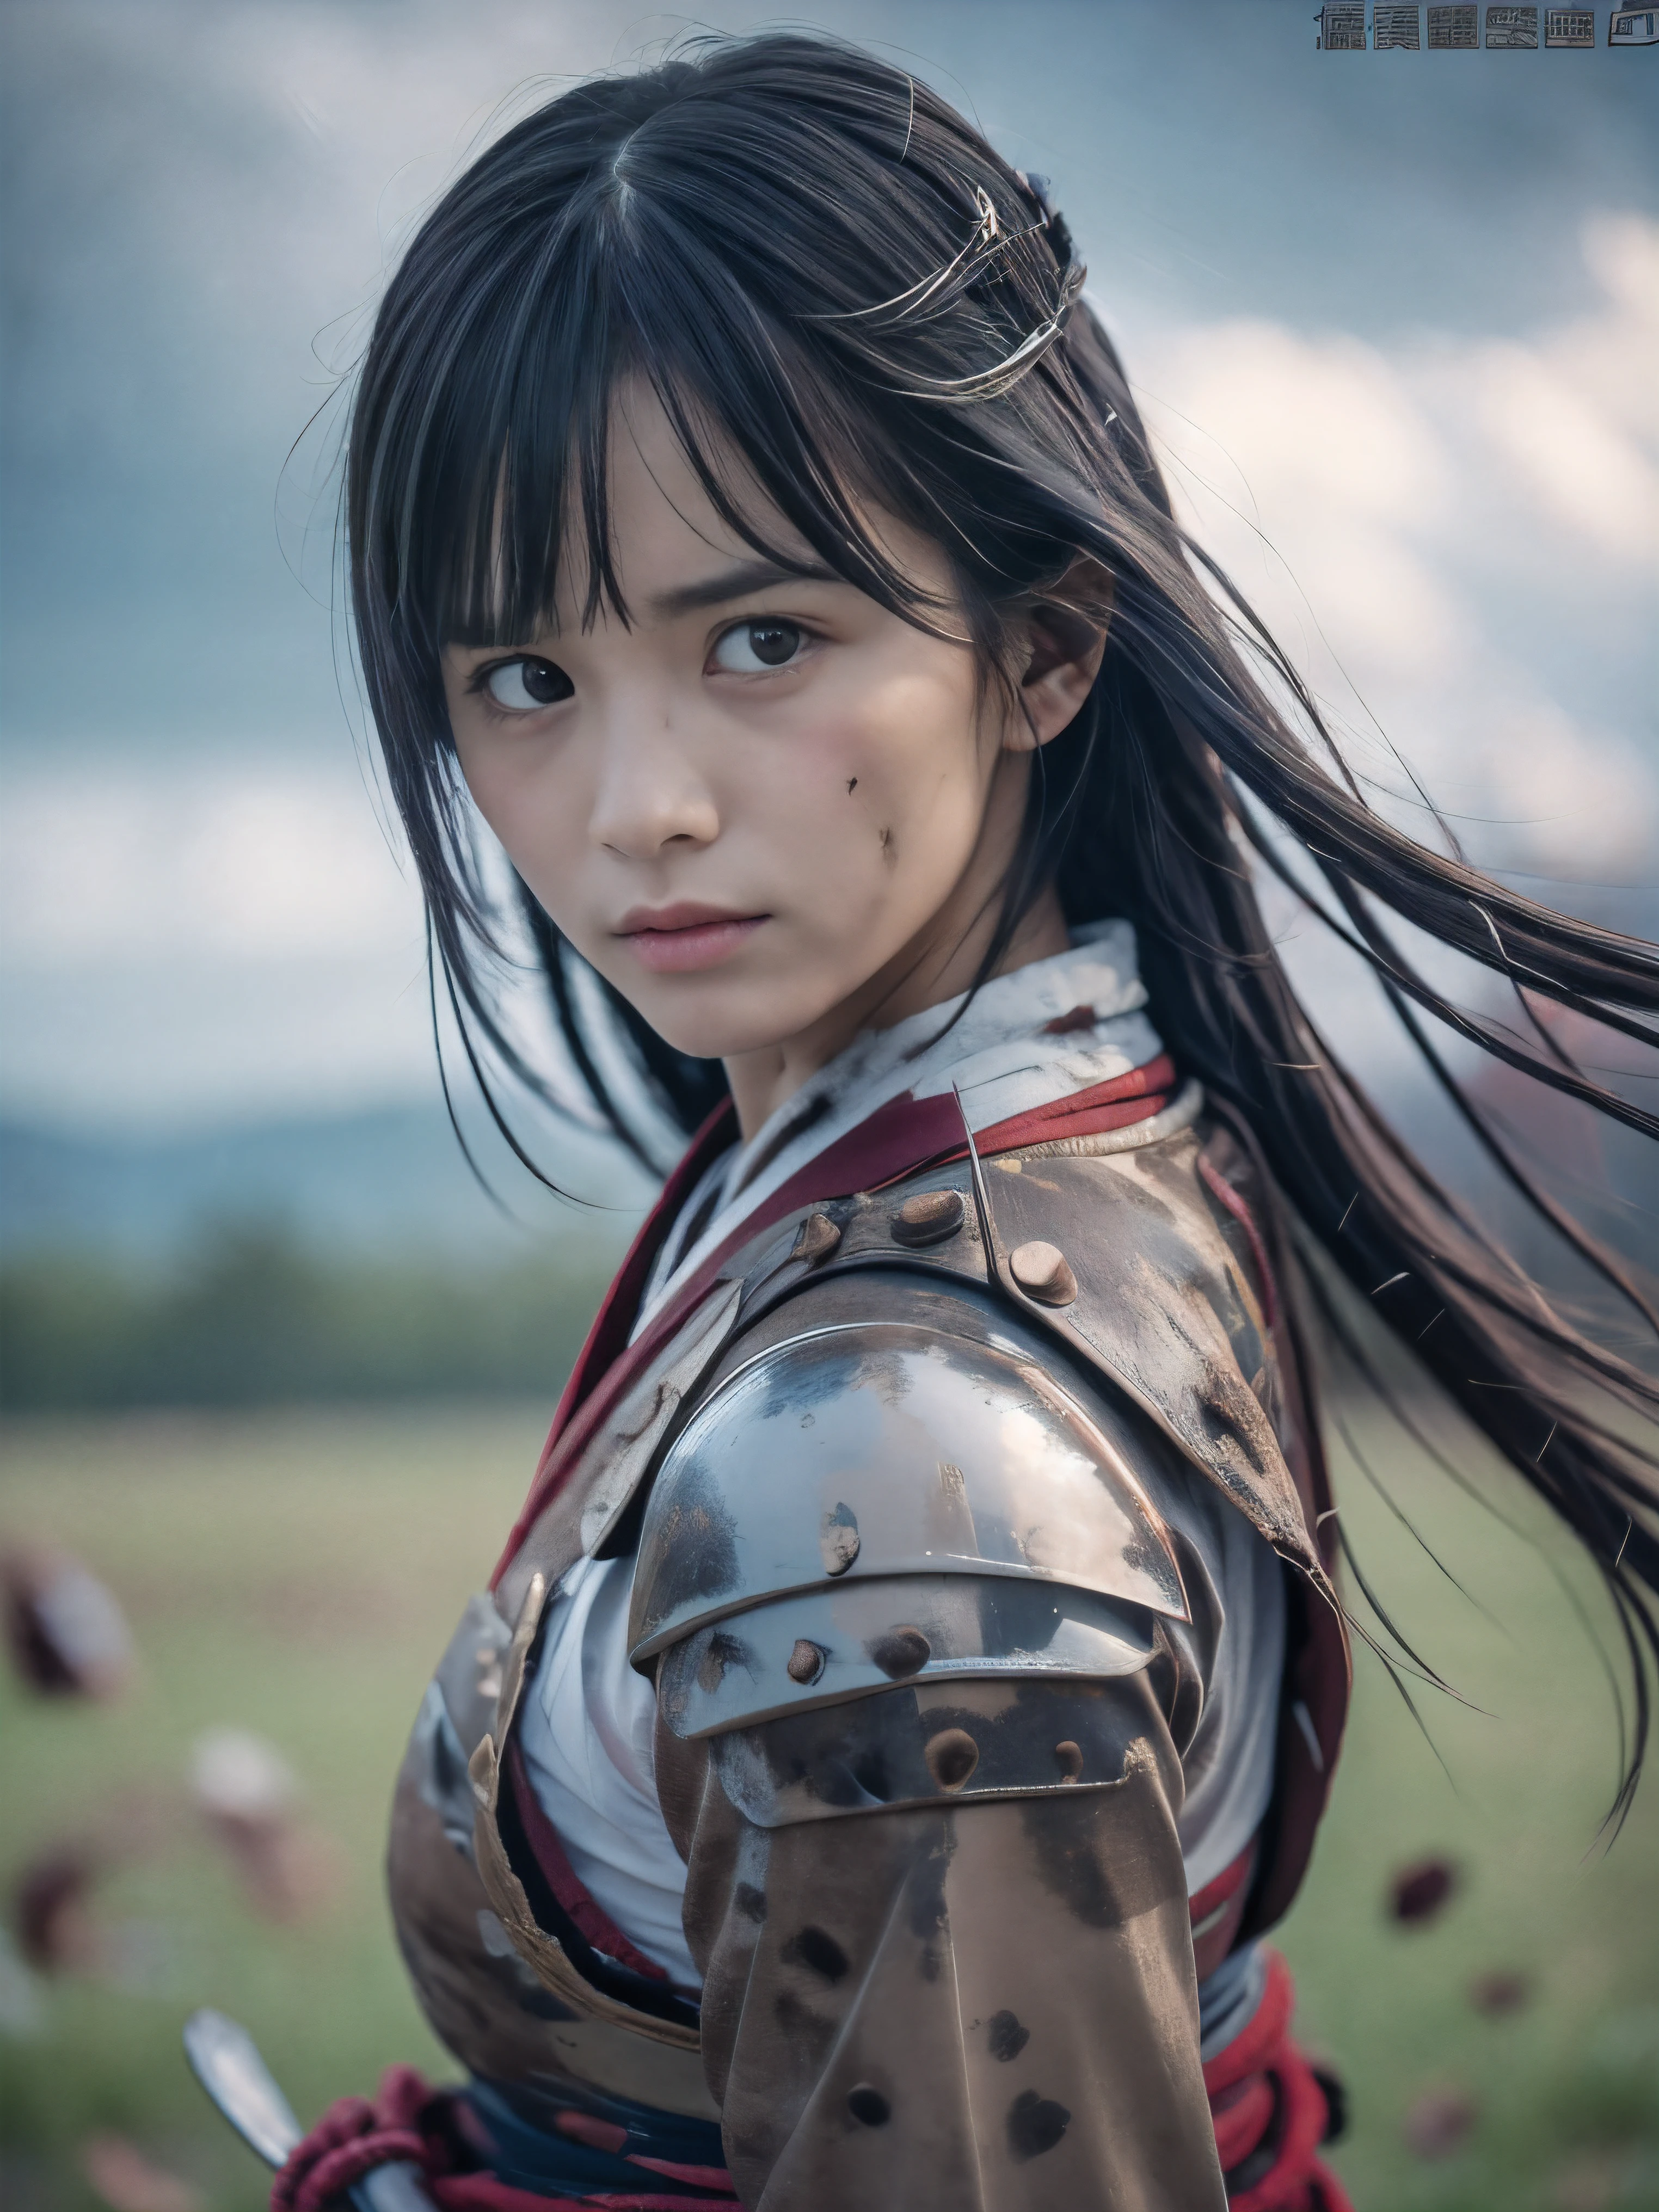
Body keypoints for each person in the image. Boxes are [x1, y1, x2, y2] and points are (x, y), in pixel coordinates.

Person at [270, 33, 1658, 2212]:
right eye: (523, 678)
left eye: (764, 637)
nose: (640, 804)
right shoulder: (1017, 1165)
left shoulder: (899, 1464)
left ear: (1043, 647)